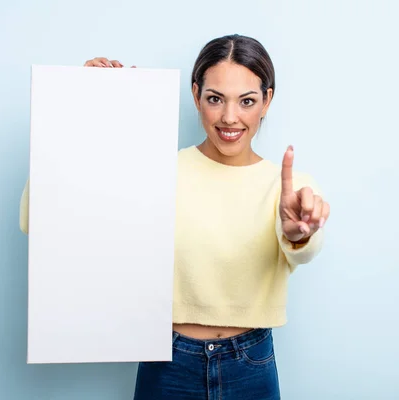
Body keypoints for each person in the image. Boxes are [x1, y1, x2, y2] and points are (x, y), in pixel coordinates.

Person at [19, 34, 330, 399]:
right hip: (167, 362)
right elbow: (38, 218)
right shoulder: (154, 171)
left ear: (267, 101)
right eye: (215, 99)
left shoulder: (288, 187)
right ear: (196, 95)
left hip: (251, 364)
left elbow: (304, 248)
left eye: (247, 101)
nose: (230, 117)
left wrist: (299, 235)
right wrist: (84, 110)